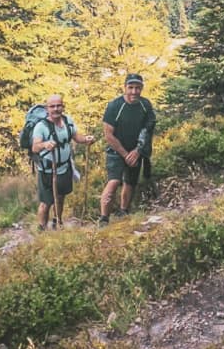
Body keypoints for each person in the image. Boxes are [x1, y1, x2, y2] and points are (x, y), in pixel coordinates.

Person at [31, 94, 96, 230]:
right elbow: (35, 147)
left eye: (59, 105)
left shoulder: (68, 121)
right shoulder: (41, 126)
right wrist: (45, 144)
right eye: (52, 106)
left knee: (60, 198)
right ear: (47, 108)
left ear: (63, 106)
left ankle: (57, 222)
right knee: (46, 202)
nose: (56, 109)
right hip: (47, 170)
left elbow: (75, 136)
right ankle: (41, 228)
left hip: (64, 167)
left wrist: (86, 139)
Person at [99, 72, 156, 226]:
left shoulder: (146, 105)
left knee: (130, 182)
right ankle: (104, 218)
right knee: (113, 182)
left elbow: (148, 128)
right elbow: (108, 134)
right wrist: (125, 154)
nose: (134, 92)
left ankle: (124, 211)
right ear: (125, 88)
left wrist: (137, 151)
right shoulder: (114, 106)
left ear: (142, 88)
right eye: (130, 87)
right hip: (116, 151)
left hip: (136, 151)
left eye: (137, 88)